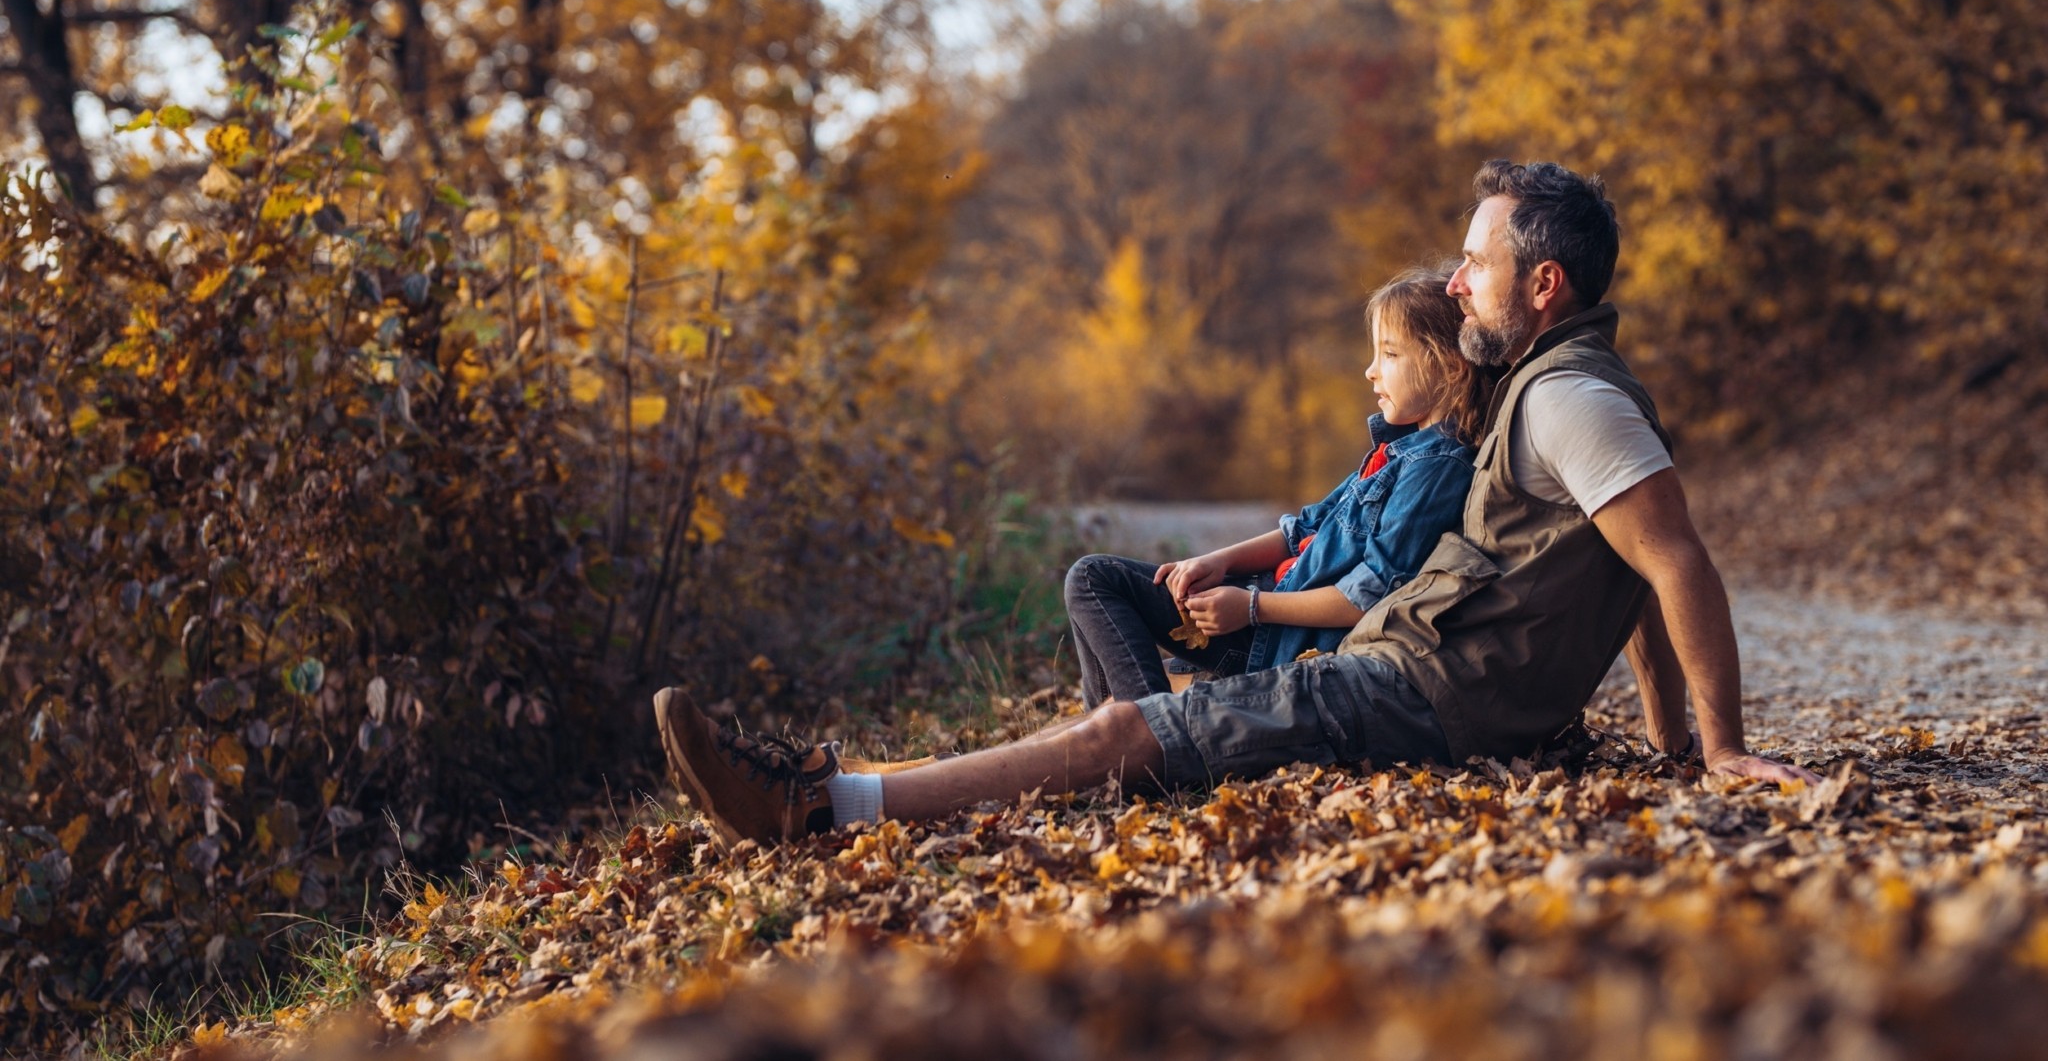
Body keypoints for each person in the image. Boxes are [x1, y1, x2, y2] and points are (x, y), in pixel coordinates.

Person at [655, 160, 1817, 846]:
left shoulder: (1571, 401)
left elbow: (1673, 563)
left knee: (1131, 728)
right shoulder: (1553, 392)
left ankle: (822, 804)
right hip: (1408, 674)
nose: (1457, 278)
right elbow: (1624, 576)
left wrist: (1715, 748)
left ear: (1543, 283)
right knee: (1149, 713)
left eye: (1476, 261)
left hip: (1419, 694)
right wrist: (1671, 742)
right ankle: (884, 785)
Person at [1063, 266, 1490, 705]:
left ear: (1450, 366)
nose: (1370, 371)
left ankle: (1144, 741)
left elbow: (1369, 596)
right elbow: (1301, 530)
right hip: (1264, 607)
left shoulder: (1436, 469)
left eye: (1390, 355)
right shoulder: (1398, 453)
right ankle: (1124, 733)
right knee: (1108, 604)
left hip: (1278, 639)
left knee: (1094, 580)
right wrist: (1218, 561)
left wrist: (1249, 607)